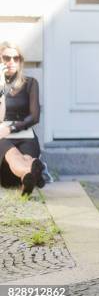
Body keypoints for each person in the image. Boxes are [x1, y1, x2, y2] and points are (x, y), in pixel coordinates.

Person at [0, 42, 45, 196]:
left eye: (15, 58)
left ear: (20, 61)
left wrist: (11, 128)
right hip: (2, 137)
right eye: (6, 57)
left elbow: (34, 116)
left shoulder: (31, 83)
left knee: (27, 155)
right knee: (12, 155)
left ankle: (28, 176)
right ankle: (31, 174)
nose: (11, 61)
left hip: (25, 135)